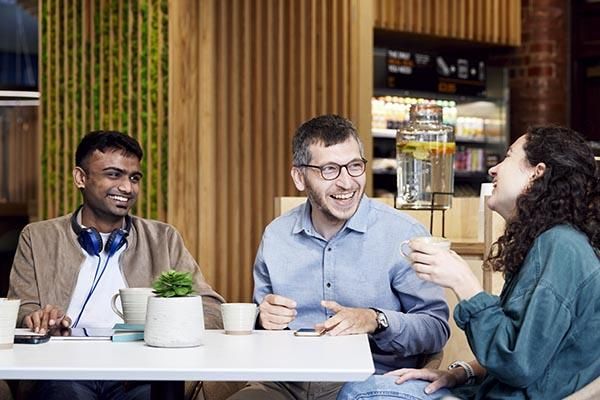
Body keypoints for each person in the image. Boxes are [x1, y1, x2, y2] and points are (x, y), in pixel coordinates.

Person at [337, 125, 600, 400]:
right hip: (483, 391)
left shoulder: (561, 246)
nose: (494, 169)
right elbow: (531, 352)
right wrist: (459, 373)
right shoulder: (555, 242)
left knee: (360, 392)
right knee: (364, 387)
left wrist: (464, 283)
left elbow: (518, 364)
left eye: (508, 157)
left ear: (537, 173)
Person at [228, 114, 450, 400]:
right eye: (330, 170)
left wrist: (376, 320)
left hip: (368, 384)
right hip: (284, 384)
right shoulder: (277, 235)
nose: (347, 183)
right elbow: (261, 325)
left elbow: (435, 328)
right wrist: (262, 319)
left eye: (355, 166)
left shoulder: (403, 234)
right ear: (299, 176)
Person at [8, 130, 224, 400]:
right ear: (81, 178)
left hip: (140, 371)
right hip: (62, 368)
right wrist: (37, 317)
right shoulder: (38, 237)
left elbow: (211, 308)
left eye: (134, 178)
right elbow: (21, 306)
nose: (127, 187)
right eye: (114, 175)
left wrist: (164, 318)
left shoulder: (163, 238)